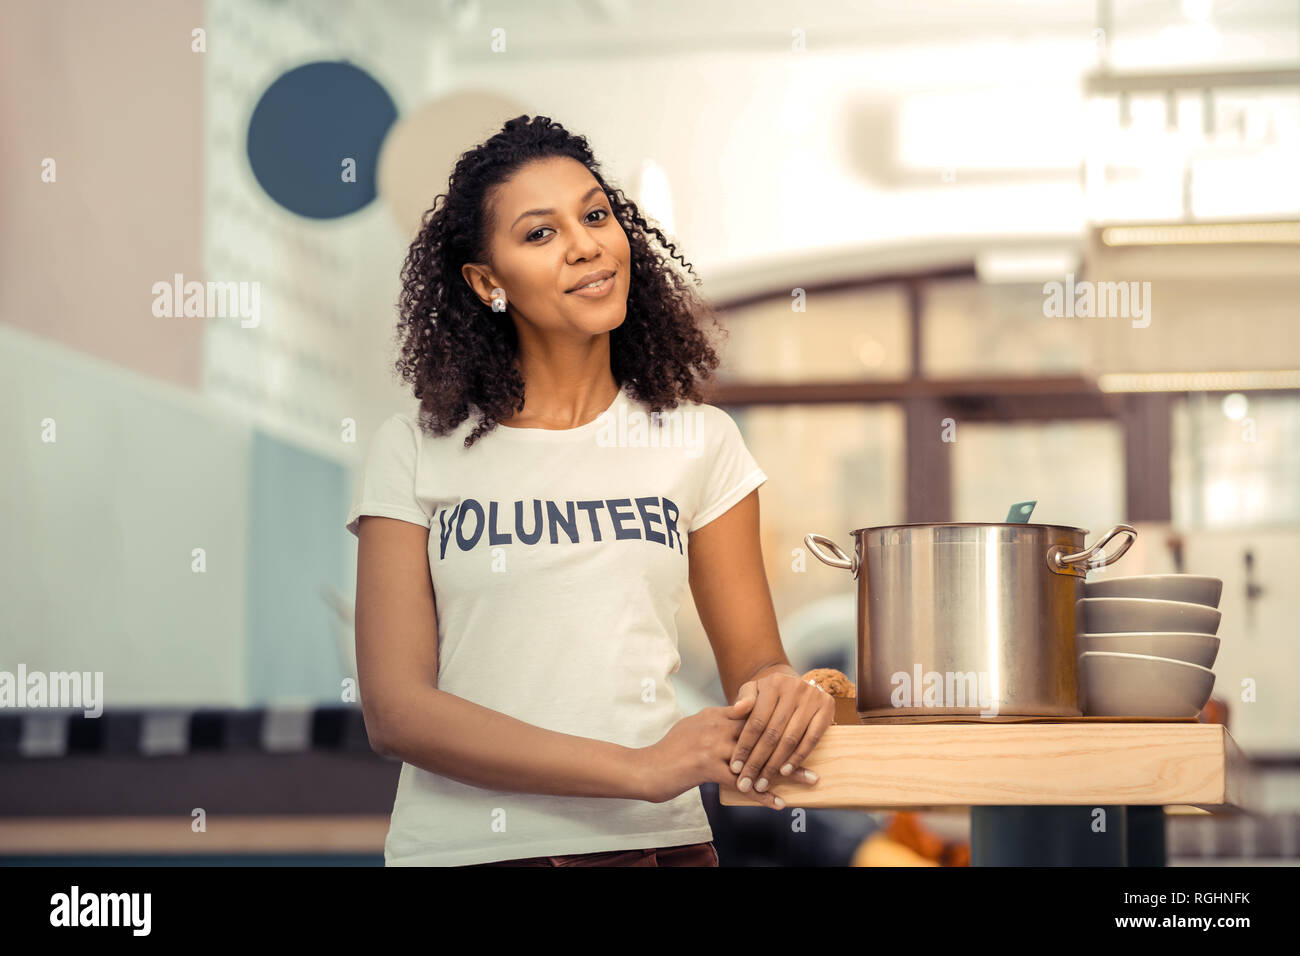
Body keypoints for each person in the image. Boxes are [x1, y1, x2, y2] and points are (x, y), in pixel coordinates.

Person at [346, 115, 833, 867]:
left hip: (656, 852)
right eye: (540, 234)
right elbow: (396, 713)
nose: (585, 244)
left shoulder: (700, 443)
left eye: (597, 214)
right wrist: (639, 769)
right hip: (467, 853)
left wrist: (789, 692)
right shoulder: (412, 451)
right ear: (486, 281)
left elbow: (757, 669)